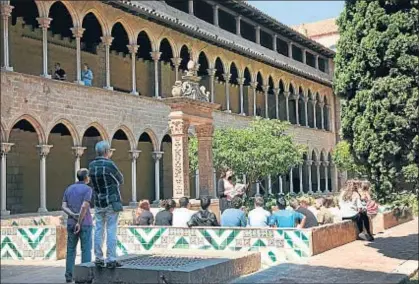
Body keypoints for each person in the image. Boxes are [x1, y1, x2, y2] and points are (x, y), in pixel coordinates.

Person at [89, 141, 124, 269]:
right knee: (111, 229)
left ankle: (98, 258)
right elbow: (120, 179)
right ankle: (111, 259)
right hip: (111, 201)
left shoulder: (91, 165)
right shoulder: (110, 165)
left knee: (98, 229)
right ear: (107, 151)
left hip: (98, 201)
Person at [61, 168, 93, 283]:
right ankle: (84, 277)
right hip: (85, 224)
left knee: (70, 250)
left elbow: (63, 206)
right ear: (86, 177)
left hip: (70, 222)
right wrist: (79, 221)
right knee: (86, 250)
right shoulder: (88, 189)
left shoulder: (69, 189)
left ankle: (69, 276)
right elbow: (84, 206)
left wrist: (72, 215)